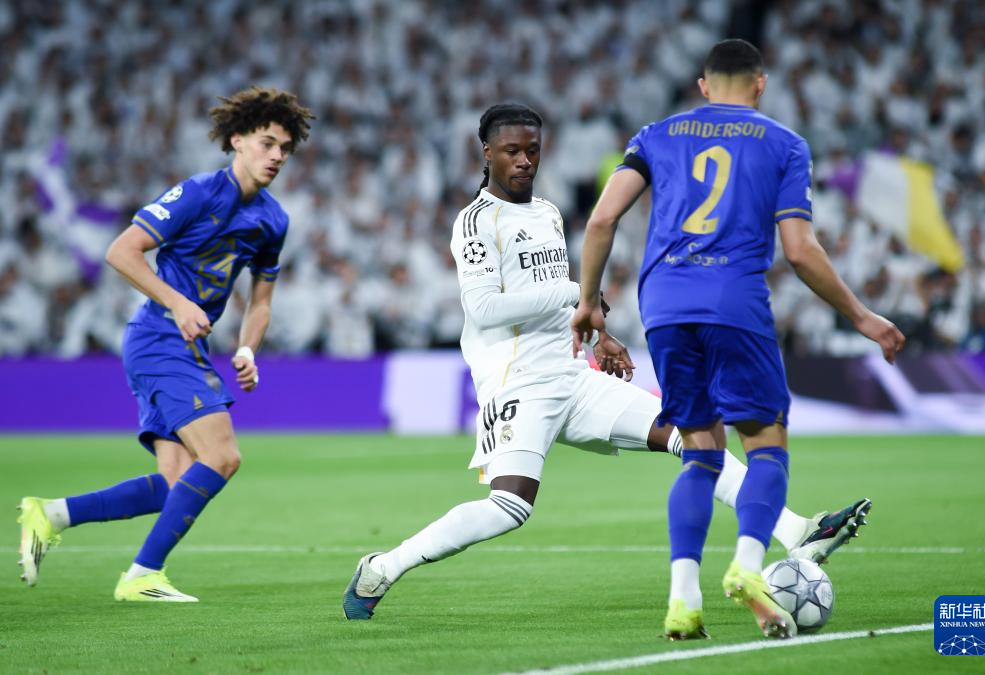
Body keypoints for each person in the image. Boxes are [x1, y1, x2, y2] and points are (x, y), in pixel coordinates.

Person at [342, 103, 870, 621]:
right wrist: (572, 291)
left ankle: (798, 531)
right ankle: (382, 567)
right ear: (487, 153)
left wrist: (599, 334)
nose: (524, 160)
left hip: (573, 376)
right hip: (518, 382)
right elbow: (484, 309)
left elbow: (566, 304)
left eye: (532, 150)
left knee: (691, 436)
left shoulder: (547, 213)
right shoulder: (476, 222)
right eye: (512, 151)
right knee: (510, 508)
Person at [572, 39, 905, 640]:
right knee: (767, 447)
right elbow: (799, 251)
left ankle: (683, 599)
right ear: (760, 83)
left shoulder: (655, 135)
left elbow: (601, 219)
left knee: (700, 455)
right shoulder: (784, 144)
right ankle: (749, 565)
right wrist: (860, 316)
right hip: (733, 303)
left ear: (703, 85)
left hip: (664, 307)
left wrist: (589, 302)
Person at [17, 87, 314, 602]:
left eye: (285, 149)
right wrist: (178, 303)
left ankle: (52, 515)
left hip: (185, 346)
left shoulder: (273, 220)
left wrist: (247, 349)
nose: (277, 156)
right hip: (159, 337)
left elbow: (261, 301)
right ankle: (142, 574)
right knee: (222, 457)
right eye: (267, 143)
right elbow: (122, 251)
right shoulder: (198, 193)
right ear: (237, 140)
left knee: (176, 481)